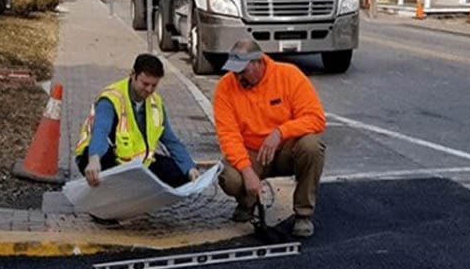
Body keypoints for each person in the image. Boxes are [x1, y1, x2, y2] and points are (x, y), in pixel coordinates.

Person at [213, 38, 326, 237]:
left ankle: (303, 214)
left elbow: (316, 119)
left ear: (258, 62)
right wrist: (248, 173)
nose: (237, 77)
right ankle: (247, 203)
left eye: (242, 71)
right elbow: (228, 136)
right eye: (234, 71)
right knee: (229, 177)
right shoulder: (225, 87)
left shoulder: (288, 75)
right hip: (252, 153)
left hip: (285, 151)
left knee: (312, 147)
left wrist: (280, 132)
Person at [75, 53, 200, 188]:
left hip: (137, 165)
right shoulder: (112, 98)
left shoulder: (156, 103)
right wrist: (94, 159)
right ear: (133, 75)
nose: (149, 90)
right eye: (145, 84)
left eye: (154, 85)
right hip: (100, 157)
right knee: (105, 165)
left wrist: (190, 168)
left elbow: (171, 141)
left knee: (181, 173)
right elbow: (100, 131)